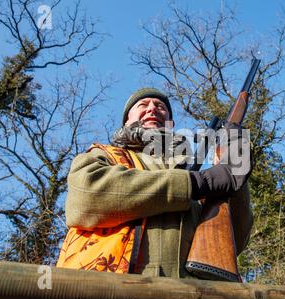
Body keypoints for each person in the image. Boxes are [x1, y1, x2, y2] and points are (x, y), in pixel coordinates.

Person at [57, 87, 253, 279]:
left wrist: (233, 165)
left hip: (193, 295)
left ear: (171, 123)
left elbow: (234, 240)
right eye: (143, 105)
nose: (152, 109)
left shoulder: (199, 181)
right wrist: (193, 184)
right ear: (127, 121)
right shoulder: (105, 155)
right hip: (111, 287)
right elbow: (85, 197)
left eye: (160, 107)